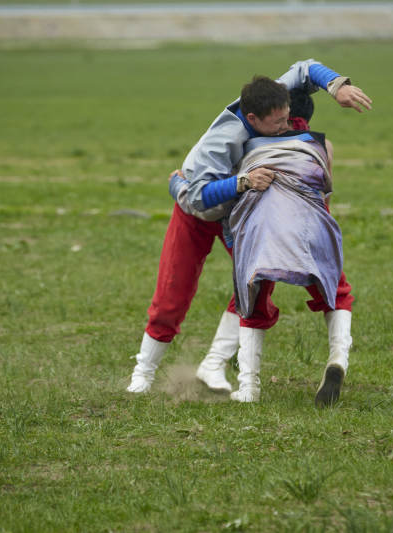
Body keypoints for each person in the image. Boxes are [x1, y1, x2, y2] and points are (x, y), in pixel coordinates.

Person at [126, 60, 372, 405]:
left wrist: (337, 86)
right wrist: (224, 183)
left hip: (239, 212)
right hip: (198, 210)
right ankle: (142, 376)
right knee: (173, 291)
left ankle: (216, 366)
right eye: (279, 124)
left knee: (257, 278)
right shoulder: (223, 140)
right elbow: (196, 197)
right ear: (252, 120)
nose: (287, 128)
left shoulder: (270, 99)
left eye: (289, 120)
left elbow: (305, 68)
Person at [172, 88, 349, 405]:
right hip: (312, 224)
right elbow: (326, 198)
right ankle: (338, 358)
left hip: (263, 232)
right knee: (336, 291)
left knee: (251, 291)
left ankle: (248, 387)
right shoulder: (322, 146)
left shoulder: (245, 147)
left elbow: (207, 199)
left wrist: (178, 184)